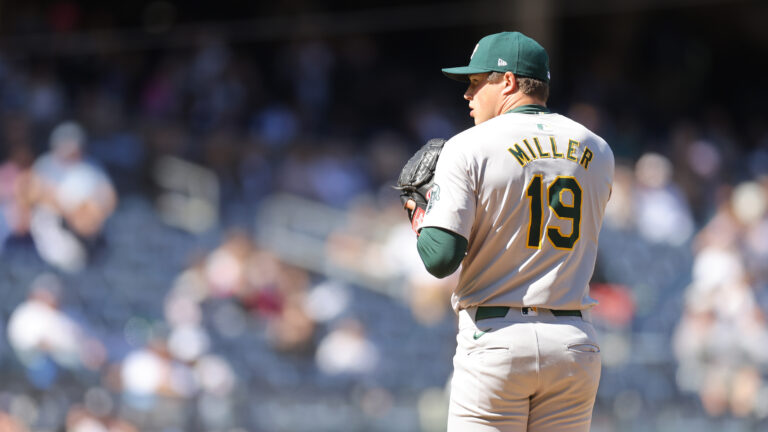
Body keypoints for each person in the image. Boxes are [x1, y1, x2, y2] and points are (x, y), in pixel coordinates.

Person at [406, 31, 614, 431]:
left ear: (508, 82)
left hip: (496, 337)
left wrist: (419, 213)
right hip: (573, 340)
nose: (468, 95)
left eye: (476, 81)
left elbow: (440, 257)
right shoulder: (598, 150)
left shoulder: (468, 146)